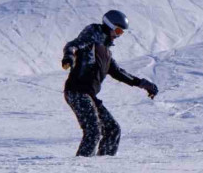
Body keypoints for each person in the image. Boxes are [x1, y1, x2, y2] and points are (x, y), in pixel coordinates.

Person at [60, 10, 159, 156]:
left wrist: (144, 84)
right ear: (109, 25)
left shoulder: (105, 52)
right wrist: (69, 57)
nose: (118, 36)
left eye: (122, 33)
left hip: (89, 95)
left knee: (113, 130)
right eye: (118, 31)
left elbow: (119, 72)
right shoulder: (90, 38)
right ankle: (81, 168)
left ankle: (103, 167)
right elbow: (72, 45)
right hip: (77, 91)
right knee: (93, 131)